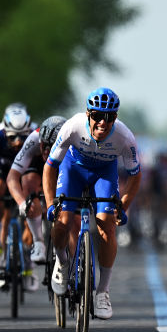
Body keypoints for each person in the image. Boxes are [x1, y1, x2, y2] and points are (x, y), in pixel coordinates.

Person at [43, 87, 141, 320]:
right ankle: (62, 262)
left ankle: (103, 292)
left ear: (115, 118)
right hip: (73, 169)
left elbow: (135, 175)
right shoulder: (72, 127)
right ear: (88, 114)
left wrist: (123, 207)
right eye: (97, 115)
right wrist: (50, 204)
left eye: (108, 117)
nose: (102, 122)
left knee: (107, 226)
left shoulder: (125, 138)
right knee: (63, 220)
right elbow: (50, 167)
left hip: (103, 174)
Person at [6, 115, 66, 291]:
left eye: (51, 146)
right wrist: (22, 203)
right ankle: (39, 241)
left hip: (63, 164)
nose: (47, 150)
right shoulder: (33, 139)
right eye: (44, 146)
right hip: (36, 166)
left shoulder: (72, 140)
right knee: (29, 181)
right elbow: (12, 177)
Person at [0, 103, 35, 278]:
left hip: (25, 171)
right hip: (3, 170)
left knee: (32, 193)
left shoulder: (36, 134)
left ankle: (28, 257)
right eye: (13, 137)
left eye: (23, 137)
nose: (18, 142)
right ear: (5, 131)